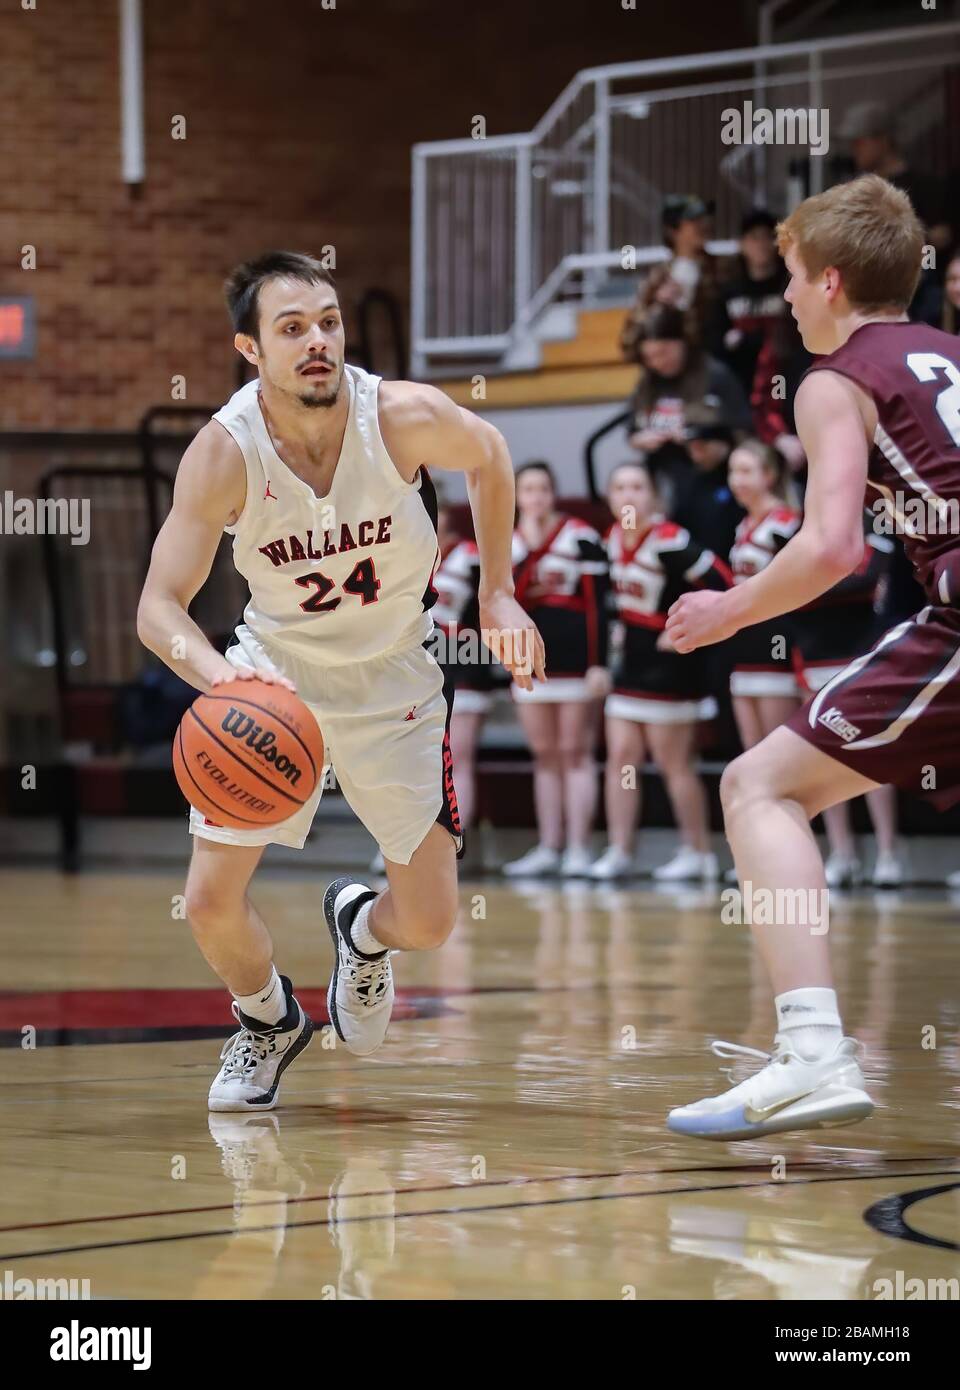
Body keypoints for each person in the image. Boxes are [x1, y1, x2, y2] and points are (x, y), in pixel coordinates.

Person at [136, 251, 543, 1111]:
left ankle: (360, 927)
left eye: (328, 321)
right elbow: (157, 609)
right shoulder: (224, 453)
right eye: (291, 328)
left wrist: (502, 592)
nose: (317, 340)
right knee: (209, 903)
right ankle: (266, 1020)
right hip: (278, 677)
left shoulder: (399, 417)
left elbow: (494, 451)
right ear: (250, 349)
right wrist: (224, 683)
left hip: (395, 672)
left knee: (429, 924)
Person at [665, 174, 960, 1140]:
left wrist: (729, 610)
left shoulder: (837, 380)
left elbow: (833, 546)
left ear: (830, 281)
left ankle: (811, 1052)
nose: (784, 297)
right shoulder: (950, 355)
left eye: (790, 276)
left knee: (758, 787)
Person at [591, 461, 732, 882]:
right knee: (622, 760)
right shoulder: (611, 539)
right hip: (628, 668)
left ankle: (698, 852)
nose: (628, 495)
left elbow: (723, 582)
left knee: (675, 763)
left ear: (653, 496)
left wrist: (684, 629)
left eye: (637, 486)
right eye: (620, 486)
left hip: (670, 671)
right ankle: (620, 851)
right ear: (609, 496)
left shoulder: (672, 541)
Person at [503, 461, 609, 878]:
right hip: (529, 662)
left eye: (543, 489)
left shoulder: (580, 536)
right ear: (516, 496)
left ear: (553, 494)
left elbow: (600, 605)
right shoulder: (504, 543)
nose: (536, 497)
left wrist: (599, 663)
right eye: (527, 490)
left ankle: (580, 849)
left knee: (575, 753)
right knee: (545, 755)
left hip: (576, 662)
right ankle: (549, 845)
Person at [792, 523, 903, 888]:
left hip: (861, 653)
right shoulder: (805, 527)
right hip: (813, 652)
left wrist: (809, 585)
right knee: (822, 757)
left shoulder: (878, 528)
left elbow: (866, 578)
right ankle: (842, 853)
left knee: (870, 754)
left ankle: (888, 854)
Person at [626, 304, 752, 522]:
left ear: (681, 342)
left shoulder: (715, 374)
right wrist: (642, 439)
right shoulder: (648, 382)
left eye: (663, 352)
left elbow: (743, 430)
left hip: (713, 479)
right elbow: (632, 430)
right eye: (650, 357)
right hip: (665, 477)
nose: (658, 362)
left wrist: (712, 444)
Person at [707, 208, 808, 468]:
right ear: (742, 244)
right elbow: (718, 345)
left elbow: (796, 335)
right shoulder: (728, 289)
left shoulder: (791, 283)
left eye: (768, 237)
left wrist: (744, 338)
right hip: (743, 382)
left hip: (788, 375)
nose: (761, 244)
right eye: (754, 237)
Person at [726, 440, 802, 750]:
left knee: (778, 749)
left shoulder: (786, 523)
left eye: (746, 471)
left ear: (769, 475)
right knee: (751, 748)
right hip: (745, 640)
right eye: (732, 471)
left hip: (777, 639)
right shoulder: (743, 524)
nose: (736, 480)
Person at [621, 194, 720, 357]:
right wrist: (659, 306)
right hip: (673, 371)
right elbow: (629, 344)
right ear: (673, 231)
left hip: (713, 366)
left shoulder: (722, 269)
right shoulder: (658, 279)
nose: (704, 225)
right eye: (694, 221)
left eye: (704, 219)